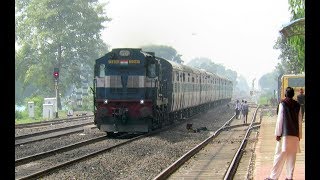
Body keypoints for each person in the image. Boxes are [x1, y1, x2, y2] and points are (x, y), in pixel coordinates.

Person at [265, 87, 302, 180]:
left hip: (284, 136)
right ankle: (289, 177)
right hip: (294, 136)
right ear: (293, 95)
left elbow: (280, 120)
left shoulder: (283, 104)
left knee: (279, 157)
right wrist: (299, 135)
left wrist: (277, 133)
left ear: (285, 94)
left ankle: (273, 177)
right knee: (292, 158)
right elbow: (299, 121)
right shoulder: (298, 105)